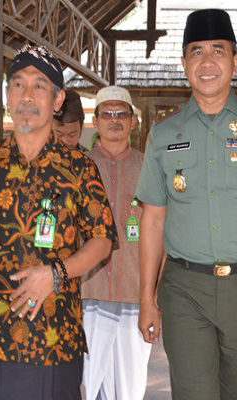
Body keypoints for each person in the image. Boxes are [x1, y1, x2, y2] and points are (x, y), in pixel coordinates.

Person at [136, 9, 237, 400]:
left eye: (218, 51)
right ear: (183, 63)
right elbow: (153, 221)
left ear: (235, 61)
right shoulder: (163, 133)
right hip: (184, 289)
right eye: (196, 52)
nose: (207, 62)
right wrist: (146, 296)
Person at [0, 44, 117, 400]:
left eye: (40, 85)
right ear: (8, 95)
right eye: (18, 84)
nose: (27, 95)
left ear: (58, 100)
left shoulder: (79, 168)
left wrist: (55, 273)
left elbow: (101, 241)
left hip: (57, 336)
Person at [81, 85, 150, 400]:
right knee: (87, 388)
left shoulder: (149, 169)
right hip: (86, 294)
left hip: (134, 297)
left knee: (129, 391)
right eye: (106, 114)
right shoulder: (77, 169)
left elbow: (160, 232)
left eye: (121, 114)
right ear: (95, 122)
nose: (114, 120)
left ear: (133, 122)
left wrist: (154, 295)